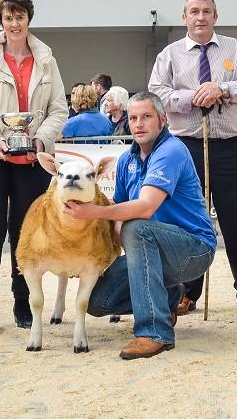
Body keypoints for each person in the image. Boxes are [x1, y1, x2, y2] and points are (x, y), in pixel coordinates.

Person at [65, 92, 216, 360]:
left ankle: (154, 332)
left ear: (162, 119)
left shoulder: (171, 150)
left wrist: (93, 211)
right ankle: (168, 298)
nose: (138, 124)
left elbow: (145, 207)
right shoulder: (126, 160)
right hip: (153, 251)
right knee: (97, 299)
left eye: (146, 117)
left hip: (194, 249)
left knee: (137, 227)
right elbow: (118, 216)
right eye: (133, 118)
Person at [148, 0, 237, 316]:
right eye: (194, 11)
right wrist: (191, 97)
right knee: (188, 220)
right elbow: (157, 94)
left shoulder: (235, 48)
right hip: (185, 147)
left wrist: (223, 88)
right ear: (184, 17)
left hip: (230, 146)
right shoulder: (170, 55)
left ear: (215, 16)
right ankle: (187, 293)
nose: (200, 17)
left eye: (206, 11)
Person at [0, 0, 68, 336]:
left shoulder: (46, 58)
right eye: (8, 18)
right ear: (1, 21)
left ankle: (23, 303)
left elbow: (59, 109)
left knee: (25, 233)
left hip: (32, 158)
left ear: (28, 19)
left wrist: (41, 140)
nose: (14, 23)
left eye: (19, 17)